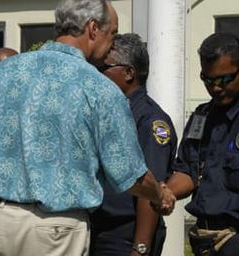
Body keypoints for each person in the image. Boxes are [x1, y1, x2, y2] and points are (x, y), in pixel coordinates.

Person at [0, 0, 175, 255]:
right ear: (93, 29)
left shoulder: (3, 73)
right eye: (112, 32)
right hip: (55, 231)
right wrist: (160, 195)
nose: (113, 42)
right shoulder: (99, 88)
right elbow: (129, 173)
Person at [164, 32, 239, 256]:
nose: (216, 88)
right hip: (204, 241)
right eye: (208, 80)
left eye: (224, 79)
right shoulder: (201, 117)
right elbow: (187, 170)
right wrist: (166, 193)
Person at [91, 33, 178, 256]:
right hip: (99, 230)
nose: (97, 75)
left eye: (103, 69)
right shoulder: (112, 113)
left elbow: (150, 189)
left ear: (129, 73)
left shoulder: (149, 121)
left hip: (125, 236)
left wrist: (140, 248)